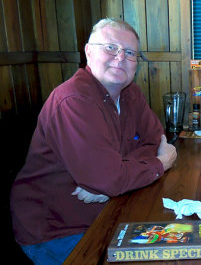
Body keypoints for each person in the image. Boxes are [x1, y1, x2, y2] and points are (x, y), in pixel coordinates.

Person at [10, 18, 177, 264]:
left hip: (109, 211)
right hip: (57, 230)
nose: (120, 58)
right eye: (110, 48)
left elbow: (155, 140)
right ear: (88, 51)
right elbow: (112, 177)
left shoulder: (130, 93)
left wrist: (114, 178)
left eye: (130, 53)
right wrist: (160, 164)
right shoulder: (74, 100)